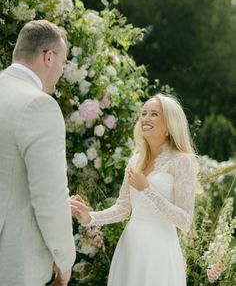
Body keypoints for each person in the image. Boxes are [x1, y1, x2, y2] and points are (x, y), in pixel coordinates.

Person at [72, 93, 198, 286]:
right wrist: (91, 218)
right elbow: (123, 208)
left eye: (154, 114)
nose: (146, 118)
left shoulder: (182, 161)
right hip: (130, 247)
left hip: (160, 250)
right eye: (144, 113)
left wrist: (147, 189)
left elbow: (185, 221)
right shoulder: (135, 160)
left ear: (169, 124)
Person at [0, 20, 88, 286]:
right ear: (48, 57)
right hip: (14, 259)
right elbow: (48, 197)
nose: (62, 71)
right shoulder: (39, 105)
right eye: (63, 63)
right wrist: (64, 261)